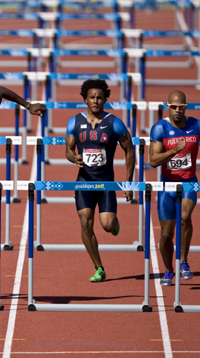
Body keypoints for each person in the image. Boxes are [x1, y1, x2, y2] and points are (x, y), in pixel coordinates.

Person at [149, 90, 200, 286]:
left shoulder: (197, 125)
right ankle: (168, 270)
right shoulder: (159, 128)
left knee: (184, 217)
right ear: (168, 107)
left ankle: (183, 261)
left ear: (185, 107)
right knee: (166, 235)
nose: (177, 110)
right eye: (173, 107)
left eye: (181, 107)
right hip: (166, 184)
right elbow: (152, 161)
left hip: (189, 182)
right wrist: (174, 151)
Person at [65, 79, 135, 282]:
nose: (95, 100)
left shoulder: (115, 123)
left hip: (106, 183)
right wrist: (74, 158)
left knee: (106, 225)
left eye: (99, 98)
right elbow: (68, 151)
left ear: (105, 100)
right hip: (84, 182)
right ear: (85, 99)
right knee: (85, 224)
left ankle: (113, 223)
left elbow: (129, 150)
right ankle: (99, 267)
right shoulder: (74, 122)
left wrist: (128, 182)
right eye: (92, 97)